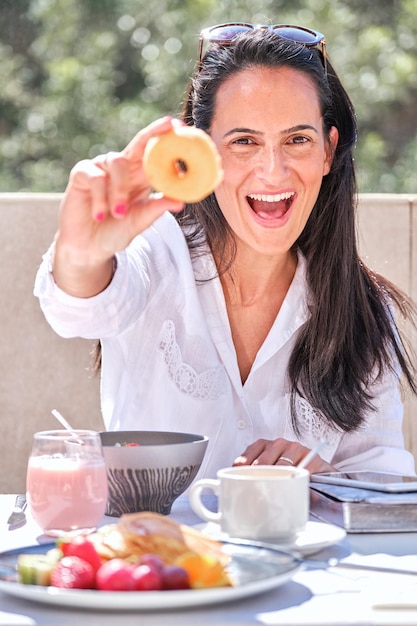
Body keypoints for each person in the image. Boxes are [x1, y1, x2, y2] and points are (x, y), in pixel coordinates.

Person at [34, 22, 417, 479]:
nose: (273, 172)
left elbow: (385, 479)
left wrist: (323, 481)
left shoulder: (365, 313)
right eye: (244, 142)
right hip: (154, 549)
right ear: (204, 151)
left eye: (297, 140)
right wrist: (80, 252)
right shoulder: (157, 254)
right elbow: (79, 308)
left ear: (328, 151)